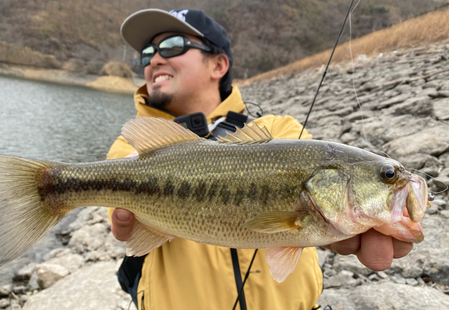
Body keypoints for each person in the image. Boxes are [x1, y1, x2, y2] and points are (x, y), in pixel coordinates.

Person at [107, 8, 414, 310]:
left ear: (219, 64)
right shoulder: (133, 147)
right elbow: (123, 222)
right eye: (147, 53)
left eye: (172, 46)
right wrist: (131, 221)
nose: (155, 59)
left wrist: (354, 220)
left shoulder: (283, 130)